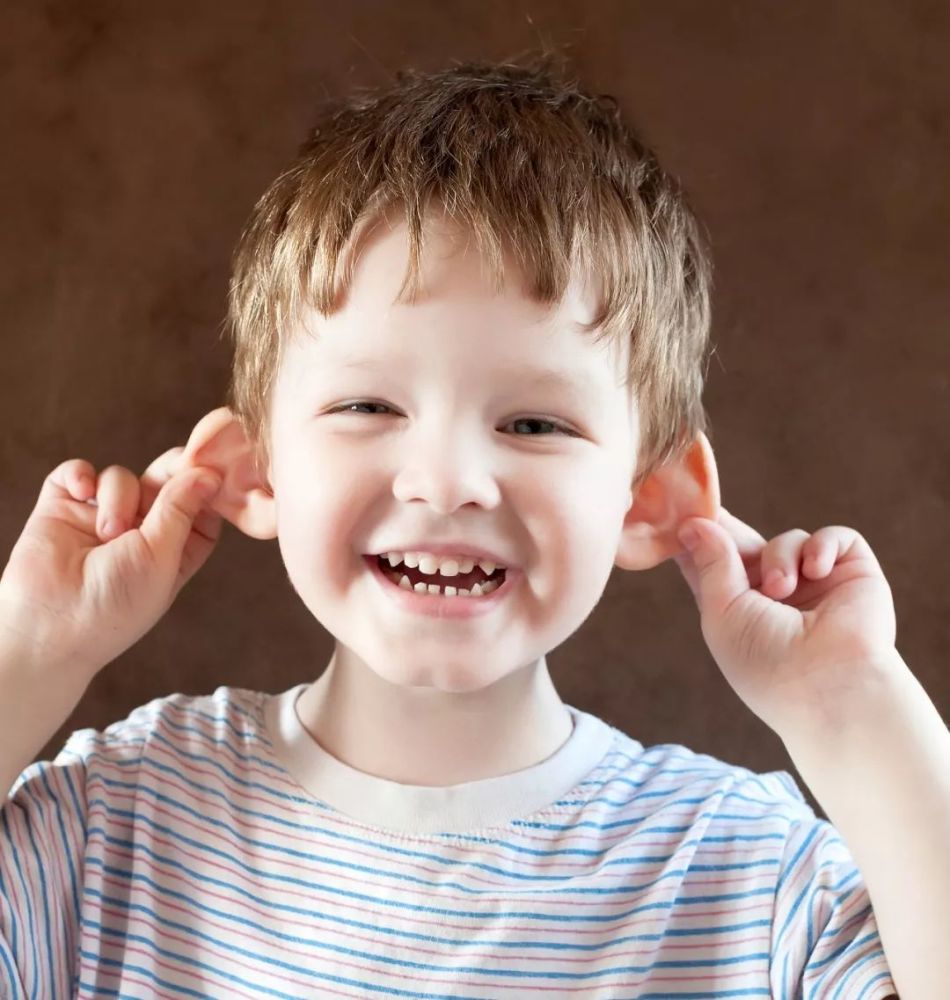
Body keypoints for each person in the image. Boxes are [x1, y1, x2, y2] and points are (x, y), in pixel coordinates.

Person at [6, 54, 935, 998]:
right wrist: (30, 652)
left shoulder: (752, 880)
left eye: (534, 422)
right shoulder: (115, 827)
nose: (447, 482)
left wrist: (853, 710)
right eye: (367, 405)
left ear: (650, 498)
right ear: (253, 472)